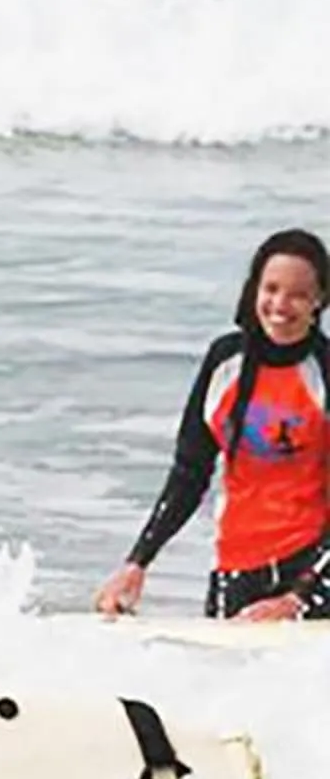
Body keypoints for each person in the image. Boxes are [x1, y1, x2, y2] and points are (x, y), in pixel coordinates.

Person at [97, 229, 330, 622]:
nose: (280, 305)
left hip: (315, 567)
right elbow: (190, 473)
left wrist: (297, 599)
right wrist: (137, 563)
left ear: (319, 300)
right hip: (237, 565)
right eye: (270, 288)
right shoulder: (225, 362)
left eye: (298, 294)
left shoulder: (324, 371)